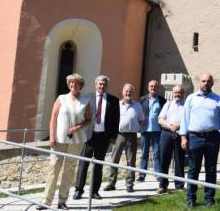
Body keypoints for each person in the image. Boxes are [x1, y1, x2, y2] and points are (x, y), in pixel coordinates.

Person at [38, 73, 91, 210]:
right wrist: (51, 136)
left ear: (81, 85)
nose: (73, 85)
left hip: (77, 141)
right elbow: (53, 118)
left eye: (76, 83)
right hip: (59, 139)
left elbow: (88, 119)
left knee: (69, 170)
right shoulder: (61, 98)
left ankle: (62, 201)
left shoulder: (85, 101)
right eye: (71, 83)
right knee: (53, 168)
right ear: (68, 85)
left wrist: (77, 128)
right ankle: (46, 200)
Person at [179, 73, 220, 208]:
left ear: (212, 83)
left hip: (213, 138)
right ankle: (191, 200)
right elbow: (184, 119)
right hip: (195, 137)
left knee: (211, 169)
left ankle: (209, 199)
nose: (205, 83)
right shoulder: (191, 98)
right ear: (199, 83)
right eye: (203, 81)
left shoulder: (218, 99)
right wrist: (183, 137)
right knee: (193, 169)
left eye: (208, 81)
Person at [73, 75, 120, 200]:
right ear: (95, 85)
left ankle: (94, 191)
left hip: (103, 137)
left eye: (104, 84)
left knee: (98, 165)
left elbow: (116, 120)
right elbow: (79, 115)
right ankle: (78, 190)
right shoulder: (87, 97)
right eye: (99, 84)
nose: (102, 86)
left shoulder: (114, 100)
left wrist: (113, 136)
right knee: (83, 163)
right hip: (89, 136)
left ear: (107, 86)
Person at [104, 83, 145, 193]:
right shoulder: (117, 105)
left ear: (133, 93)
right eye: (126, 91)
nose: (128, 93)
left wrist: (136, 127)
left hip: (132, 136)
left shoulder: (137, 106)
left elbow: (142, 120)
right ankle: (111, 183)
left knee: (131, 161)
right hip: (119, 135)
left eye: (130, 91)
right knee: (114, 159)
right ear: (123, 92)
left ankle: (129, 184)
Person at [156, 85, 186, 194]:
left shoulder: (187, 106)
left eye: (179, 92)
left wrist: (178, 126)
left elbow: (189, 120)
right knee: (164, 160)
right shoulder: (167, 104)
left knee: (179, 160)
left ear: (183, 93)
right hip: (166, 134)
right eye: (175, 92)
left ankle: (179, 185)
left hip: (180, 134)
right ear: (172, 93)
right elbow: (160, 120)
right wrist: (170, 126)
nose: (177, 94)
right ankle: (162, 185)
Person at [138, 80, 167, 182]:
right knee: (144, 153)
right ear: (148, 87)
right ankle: (142, 175)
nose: (153, 88)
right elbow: (139, 113)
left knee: (157, 153)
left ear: (157, 88)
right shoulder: (142, 99)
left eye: (155, 86)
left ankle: (158, 174)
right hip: (145, 130)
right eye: (151, 86)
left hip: (157, 130)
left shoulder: (162, 100)